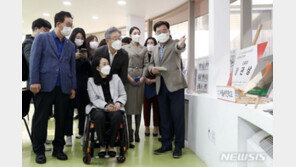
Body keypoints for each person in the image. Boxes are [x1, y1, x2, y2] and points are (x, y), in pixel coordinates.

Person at [30, 11, 76, 164]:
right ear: (58, 24)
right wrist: (34, 81)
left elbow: (71, 67)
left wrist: (73, 87)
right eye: (68, 25)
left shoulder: (70, 45)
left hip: (63, 86)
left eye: (71, 25)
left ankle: (58, 149)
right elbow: (34, 60)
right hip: (44, 85)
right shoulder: (42, 38)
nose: (70, 28)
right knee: (41, 119)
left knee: (62, 119)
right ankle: (39, 150)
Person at [148, 21, 187, 158]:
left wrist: (181, 45)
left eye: (164, 31)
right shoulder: (155, 48)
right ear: (156, 34)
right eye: (159, 32)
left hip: (175, 85)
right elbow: (150, 64)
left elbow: (179, 48)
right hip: (160, 86)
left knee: (177, 117)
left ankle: (178, 146)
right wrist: (151, 70)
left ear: (169, 31)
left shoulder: (174, 43)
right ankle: (166, 144)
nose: (162, 34)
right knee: (164, 117)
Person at [85, 57, 127, 158]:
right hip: (98, 107)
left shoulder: (115, 78)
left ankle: (111, 146)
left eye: (108, 63)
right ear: (98, 68)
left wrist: (118, 102)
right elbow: (93, 99)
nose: (107, 66)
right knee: (99, 116)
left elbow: (123, 94)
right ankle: (102, 145)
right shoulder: (91, 81)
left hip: (115, 107)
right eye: (104, 64)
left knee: (117, 116)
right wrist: (105, 106)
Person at [22, 18, 52, 151]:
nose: (46, 33)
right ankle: (37, 142)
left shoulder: (38, 42)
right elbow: (31, 61)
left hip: (43, 83)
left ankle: (41, 138)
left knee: (43, 114)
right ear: (36, 29)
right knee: (40, 115)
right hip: (35, 84)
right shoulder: (29, 43)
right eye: (45, 30)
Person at [64, 28, 91, 146]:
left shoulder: (86, 52)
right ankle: (68, 135)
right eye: (77, 37)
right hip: (70, 85)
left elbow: (90, 71)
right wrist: (72, 58)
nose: (79, 40)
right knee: (69, 111)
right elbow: (64, 66)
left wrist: (86, 59)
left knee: (82, 112)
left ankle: (81, 133)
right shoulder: (67, 48)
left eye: (82, 38)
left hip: (83, 86)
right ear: (73, 37)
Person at [122, 26, 148, 147]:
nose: (137, 35)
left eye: (138, 33)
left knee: (138, 108)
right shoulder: (125, 48)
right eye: (134, 33)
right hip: (129, 79)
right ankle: (129, 133)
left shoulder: (144, 48)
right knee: (128, 108)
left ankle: (137, 132)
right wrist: (128, 77)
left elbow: (146, 64)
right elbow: (123, 65)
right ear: (131, 35)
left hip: (140, 80)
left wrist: (143, 77)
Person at [143, 37, 160, 138]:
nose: (150, 44)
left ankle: (156, 127)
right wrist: (145, 79)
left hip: (156, 84)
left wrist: (153, 80)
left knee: (156, 108)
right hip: (145, 84)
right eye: (148, 43)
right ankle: (146, 127)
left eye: (152, 43)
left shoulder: (158, 55)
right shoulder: (144, 56)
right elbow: (142, 68)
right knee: (146, 107)